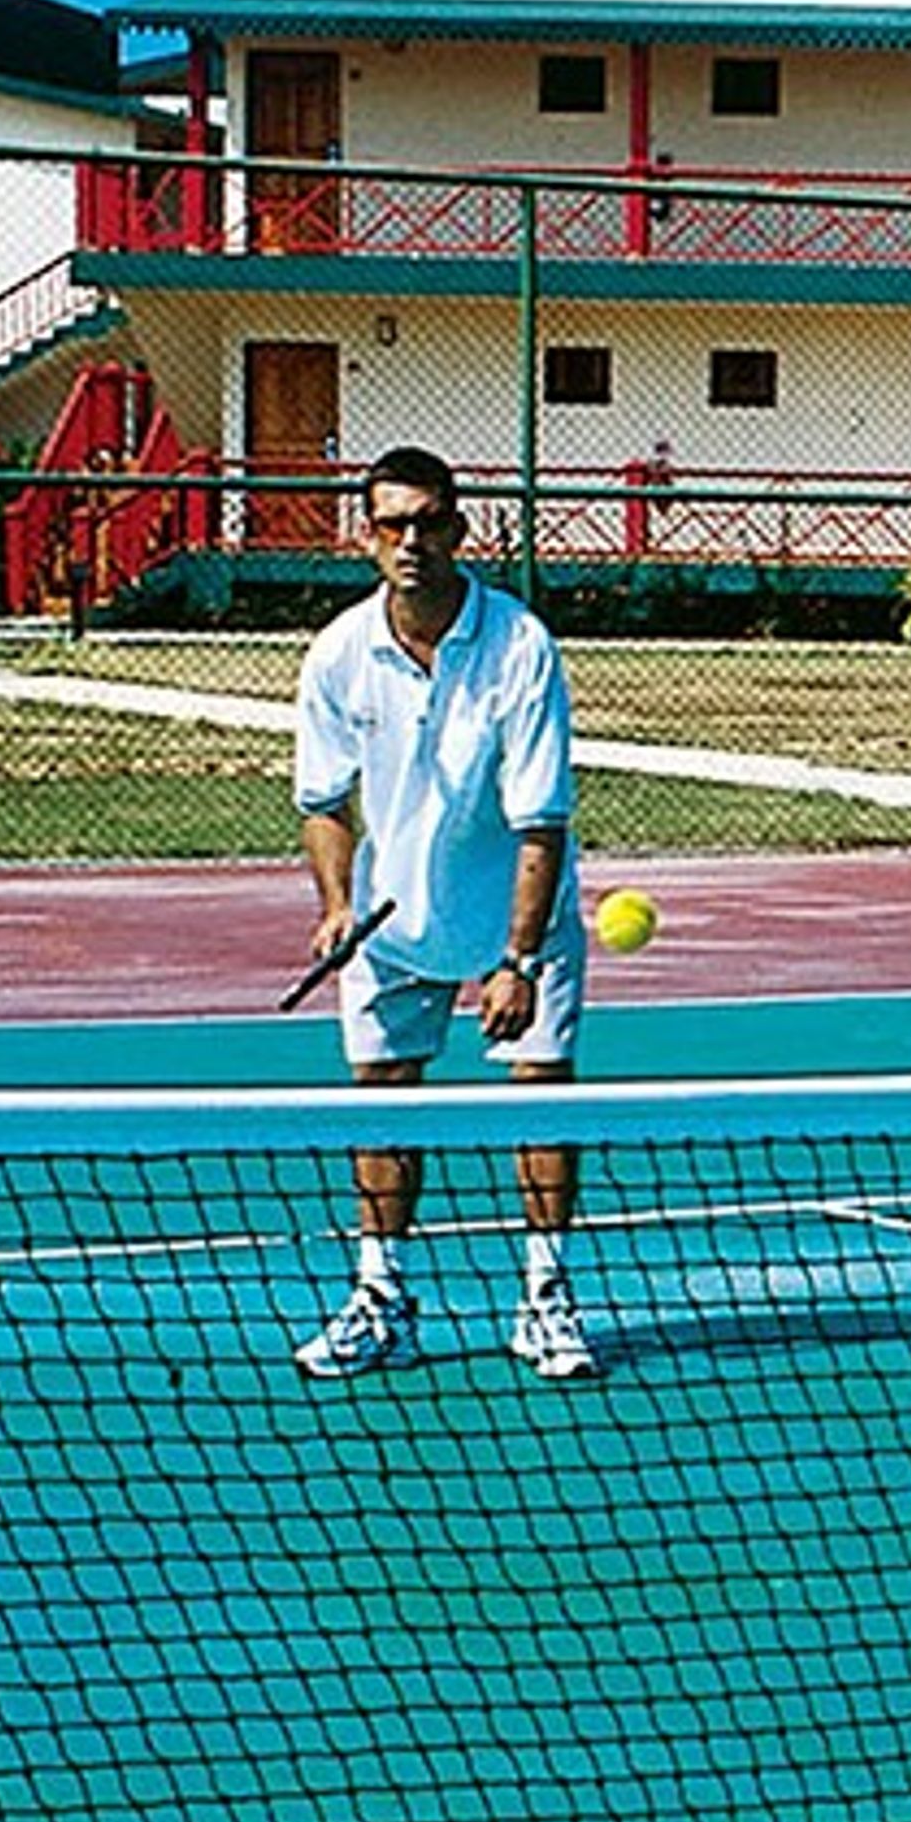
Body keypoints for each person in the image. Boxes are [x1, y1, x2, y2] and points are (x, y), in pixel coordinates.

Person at [290, 444, 601, 1382]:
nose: (412, 541)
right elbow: (323, 802)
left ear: (459, 529)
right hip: (390, 924)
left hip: (517, 914)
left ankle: (545, 1300)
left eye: (429, 522)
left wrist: (517, 959)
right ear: (368, 537)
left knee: (540, 1091)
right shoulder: (338, 653)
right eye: (393, 524)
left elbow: (541, 820)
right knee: (384, 1097)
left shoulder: (519, 645)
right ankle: (381, 1298)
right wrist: (337, 905)